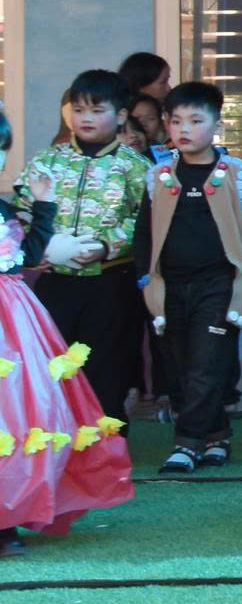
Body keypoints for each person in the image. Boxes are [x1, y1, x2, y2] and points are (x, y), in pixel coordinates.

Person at [0, 101, 136, 557]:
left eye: (1, 149)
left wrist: (43, 206)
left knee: (21, 415)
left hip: (14, 324)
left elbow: (26, 255)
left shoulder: (2, 208)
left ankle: (7, 519)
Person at [142, 81, 242, 475]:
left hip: (220, 285)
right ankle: (216, 436)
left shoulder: (237, 173)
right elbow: (144, 233)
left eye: (195, 120)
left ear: (217, 125)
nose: (184, 129)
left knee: (206, 363)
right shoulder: (159, 175)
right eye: (176, 120)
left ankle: (187, 443)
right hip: (169, 286)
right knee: (182, 367)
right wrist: (144, 278)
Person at [15, 70, 151, 425]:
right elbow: (23, 210)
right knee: (52, 363)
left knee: (107, 367)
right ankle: (55, 441)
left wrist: (106, 247)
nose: (85, 118)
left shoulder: (135, 167)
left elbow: (147, 223)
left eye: (96, 110)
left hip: (111, 283)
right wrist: (37, 248)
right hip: (55, 282)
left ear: (121, 116)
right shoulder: (47, 161)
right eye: (78, 110)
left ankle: (106, 446)